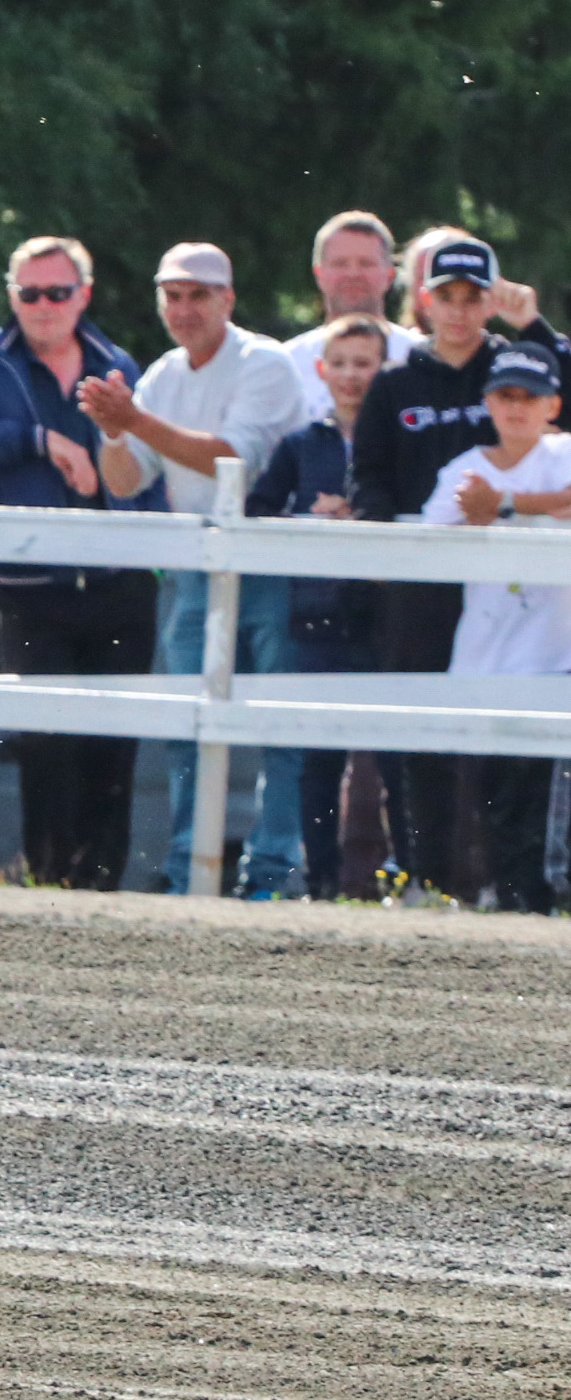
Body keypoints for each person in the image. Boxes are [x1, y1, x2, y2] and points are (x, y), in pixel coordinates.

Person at [0, 237, 152, 889]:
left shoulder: (117, 365)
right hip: (30, 584)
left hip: (117, 579)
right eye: (30, 293)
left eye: (57, 292)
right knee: (46, 738)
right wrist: (36, 441)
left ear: (83, 294)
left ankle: (102, 890)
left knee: (116, 743)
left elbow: (140, 467)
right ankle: (48, 884)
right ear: (12, 297)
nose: (44, 306)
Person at [80, 243, 306, 894]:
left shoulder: (264, 361)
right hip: (194, 569)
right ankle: (188, 868)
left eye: (197, 294)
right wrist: (114, 431)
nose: (183, 309)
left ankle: (270, 873)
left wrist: (133, 419)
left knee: (275, 724)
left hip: (269, 562)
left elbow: (233, 458)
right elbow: (123, 482)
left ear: (228, 300)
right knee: (187, 723)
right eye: (172, 295)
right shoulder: (162, 376)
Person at [353, 228, 518, 901]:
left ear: (490, 301)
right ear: (423, 299)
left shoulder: (517, 375)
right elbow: (370, 478)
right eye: (445, 296)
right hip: (419, 588)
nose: (458, 310)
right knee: (416, 729)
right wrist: (381, 546)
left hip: (507, 587)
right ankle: (426, 874)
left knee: (502, 730)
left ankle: (502, 879)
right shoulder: (393, 387)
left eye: (472, 297)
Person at [419, 335, 571, 912]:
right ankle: (502, 899)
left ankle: (534, 899)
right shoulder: (464, 469)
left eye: (529, 397)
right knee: (487, 794)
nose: (515, 407)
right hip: (483, 659)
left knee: (538, 794)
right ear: (487, 401)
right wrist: (489, 505)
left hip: (553, 658)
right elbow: (431, 543)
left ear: (552, 406)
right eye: (505, 394)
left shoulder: (562, 456)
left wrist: (505, 505)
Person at [241, 318, 383, 897]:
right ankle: (322, 877)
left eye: (364, 363)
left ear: (383, 370)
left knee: (394, 754)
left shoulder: (394, 441)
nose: (352, 375)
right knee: (318, 757)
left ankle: (399, 876)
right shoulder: (301, 445)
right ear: (322, 371)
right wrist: (306, 517)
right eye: (341, 363)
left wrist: (363, 514)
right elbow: (257, 511)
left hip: (382, 615)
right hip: (317, 614)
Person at [283, 211, 399, 426]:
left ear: (389, 275)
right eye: (340, 263)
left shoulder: (416, 355)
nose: (353, 274)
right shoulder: (287, 362)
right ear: (318, 274)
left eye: (366, 263)